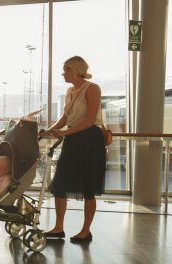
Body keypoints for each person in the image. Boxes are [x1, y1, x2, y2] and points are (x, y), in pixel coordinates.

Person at [41, 56, 106, 243]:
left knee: (88, 188)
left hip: (90, 140)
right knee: (60, 184)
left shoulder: (92, 88)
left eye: (65, 70)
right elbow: (65, 117)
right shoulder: (70, 91)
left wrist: (64, 132)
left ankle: (86, 230)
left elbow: (89, 119)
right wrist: (52, 130)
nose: (63, 73)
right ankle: (59, 227)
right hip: (73, 139)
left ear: (75, 70)